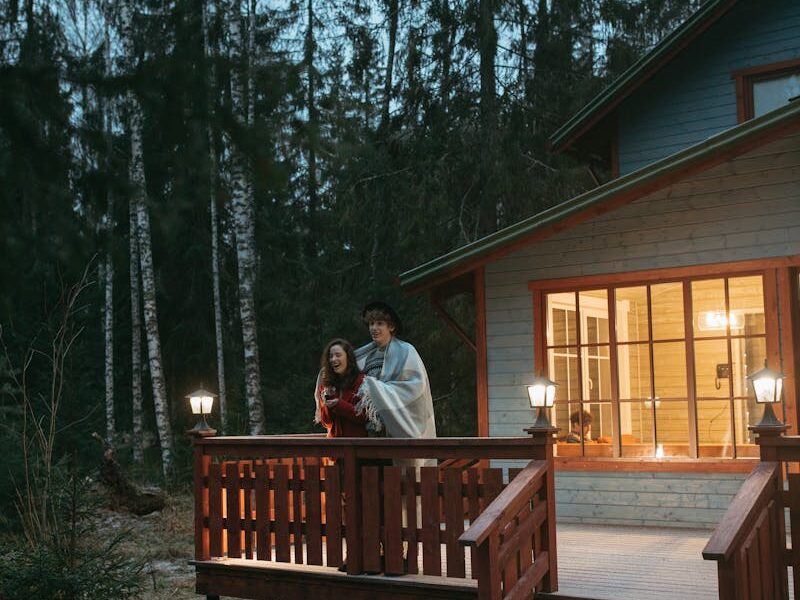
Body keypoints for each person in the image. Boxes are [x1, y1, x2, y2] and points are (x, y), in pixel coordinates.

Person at [353, 301, 436, 441]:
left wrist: (377, 388)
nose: (374, 328)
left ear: (391, 326)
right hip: (372, 430)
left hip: (399, 428)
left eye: (379, 323)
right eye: (371, 323)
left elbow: (416, 387)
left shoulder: (406, 351)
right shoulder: (369, 357)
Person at [314, 339, 368, 438]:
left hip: (357, 446)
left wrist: (339, 405)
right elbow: (326, 422)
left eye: (338, 355)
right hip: (334, 447)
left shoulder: (362, 381)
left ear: (348, 358)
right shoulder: (327, 384)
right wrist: (328, 405)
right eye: (330, 356)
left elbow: (364, 416)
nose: (333, 359)